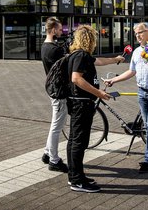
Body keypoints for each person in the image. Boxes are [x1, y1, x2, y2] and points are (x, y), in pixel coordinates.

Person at [66, 25, 124, 193]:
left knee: (76, 140)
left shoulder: (79, 55)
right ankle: (77, 181)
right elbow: (76, 79)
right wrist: (98, 92)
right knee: (79, 141)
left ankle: (76, 175)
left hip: (80, 103)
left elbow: (99, 61)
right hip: (81, 104)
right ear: (90, 40)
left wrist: (115, 59)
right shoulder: (81, 56)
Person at [105, 22, 148, 173]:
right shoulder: (137, 52)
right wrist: (114, 80)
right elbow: (131, 72)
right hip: (142, 92)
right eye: (136, 34)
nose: (138, 36)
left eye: (140, 32)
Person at [40, 17, 69, 173]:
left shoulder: (44, 47)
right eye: (59, 29)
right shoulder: (56, 49)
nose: (61, 31)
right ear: (52, 30)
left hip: (52, 88)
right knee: (56, 127)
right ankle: (54, 160)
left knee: (55, 124)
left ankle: (47, 152)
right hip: (59, 91)